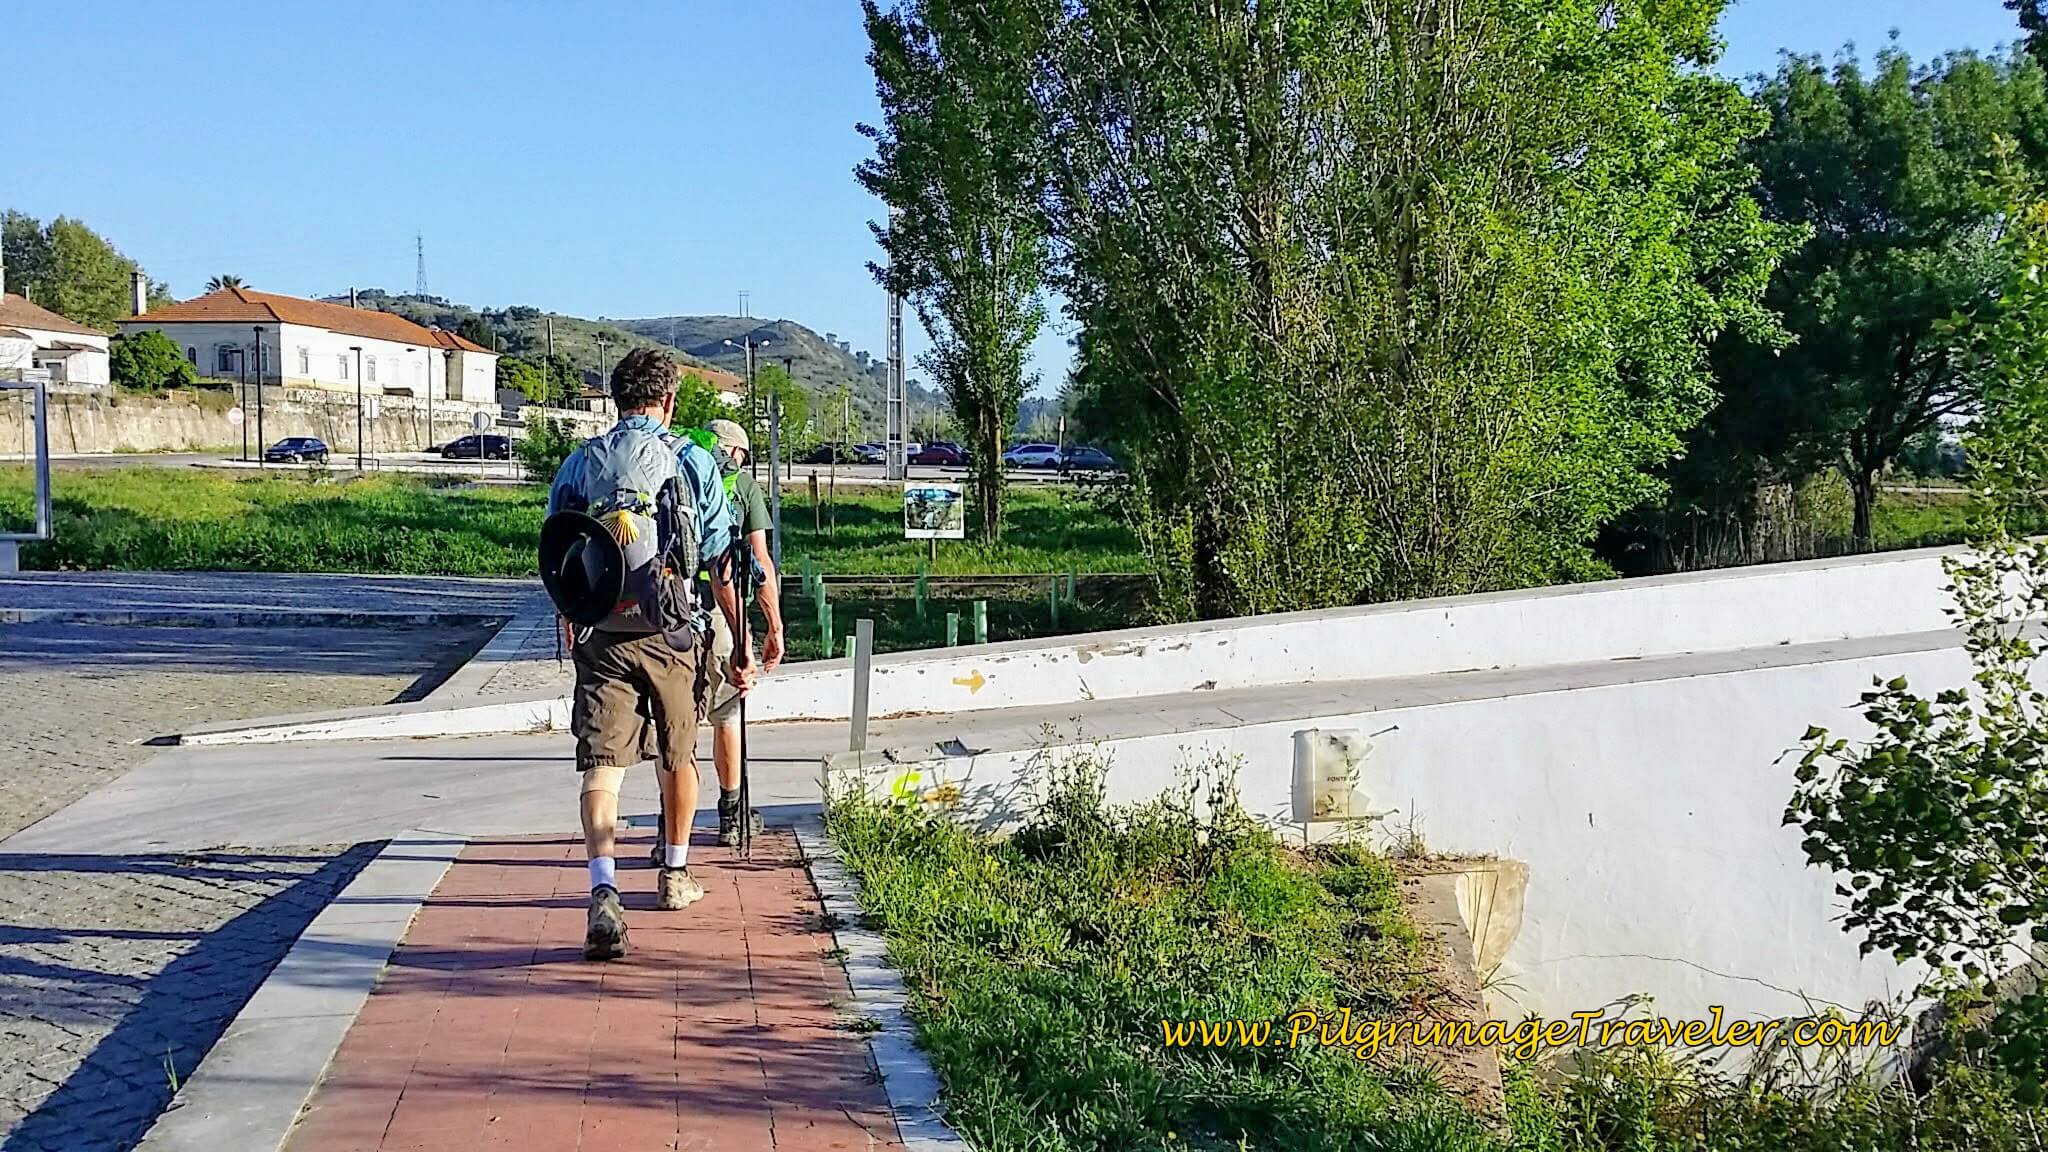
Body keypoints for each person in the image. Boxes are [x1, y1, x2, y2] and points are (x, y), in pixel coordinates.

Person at [545, 348, 750, 961]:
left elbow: (559, 543)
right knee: (677, 755)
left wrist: (570, 615)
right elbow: (718, 560)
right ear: (668, 401)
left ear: (615, 399)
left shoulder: (582, 462)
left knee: (601, 765)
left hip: (601, 630)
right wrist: (740, 641)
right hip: (671, 631)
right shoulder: (691, 461)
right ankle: (674, 875)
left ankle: (603, 887)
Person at [702, 418, 785, 845]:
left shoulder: (677, 469)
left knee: (672, 721)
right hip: (722, 607)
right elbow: (760, 561)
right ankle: (731, 815)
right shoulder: (743, 485)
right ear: (735, 452)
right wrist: (773, 625)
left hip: (669, 606)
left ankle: (670, 826)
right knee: (727, 715)